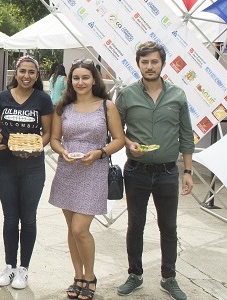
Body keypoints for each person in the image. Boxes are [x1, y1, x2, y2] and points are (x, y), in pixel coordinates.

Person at [115, 41, 195, 300]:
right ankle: (134, 275)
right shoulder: (126, 95)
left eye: (154, 62)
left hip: (168, 172)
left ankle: (168, 277)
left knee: (168, 227)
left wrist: (188, 171)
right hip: (136, 170)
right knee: (135, 224)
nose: (149, 66)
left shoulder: (178, 95)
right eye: (144, 62)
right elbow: (116, 131)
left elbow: (186, 135)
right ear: (138, 64)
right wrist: (129, 144)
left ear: (163, 63)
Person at [48, 59, 125, 300]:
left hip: (94, 169)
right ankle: (77, 276)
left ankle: (90, 276)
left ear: (94, 80)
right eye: (76, 78)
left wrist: (100, 153)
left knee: (81, 229)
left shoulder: (107, 107)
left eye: (85, 77)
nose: (80, 82)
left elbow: (119, 139)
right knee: (71, 230)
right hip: (68, 170)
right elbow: (54, 140)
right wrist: (62, 152)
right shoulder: (63, 107)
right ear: (69, 81)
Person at [0, 55, 53, 290]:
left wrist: (36, 147)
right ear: (15, 73)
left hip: (33, 167)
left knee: (28, 218)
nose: (26, 76)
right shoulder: (2, 98)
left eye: (31, 72)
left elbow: (47, 133)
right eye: (22, 71)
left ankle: (23, 269)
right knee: (9, 217)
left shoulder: (43, 99)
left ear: (37, 76)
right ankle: (9, 266)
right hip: (6, 165)